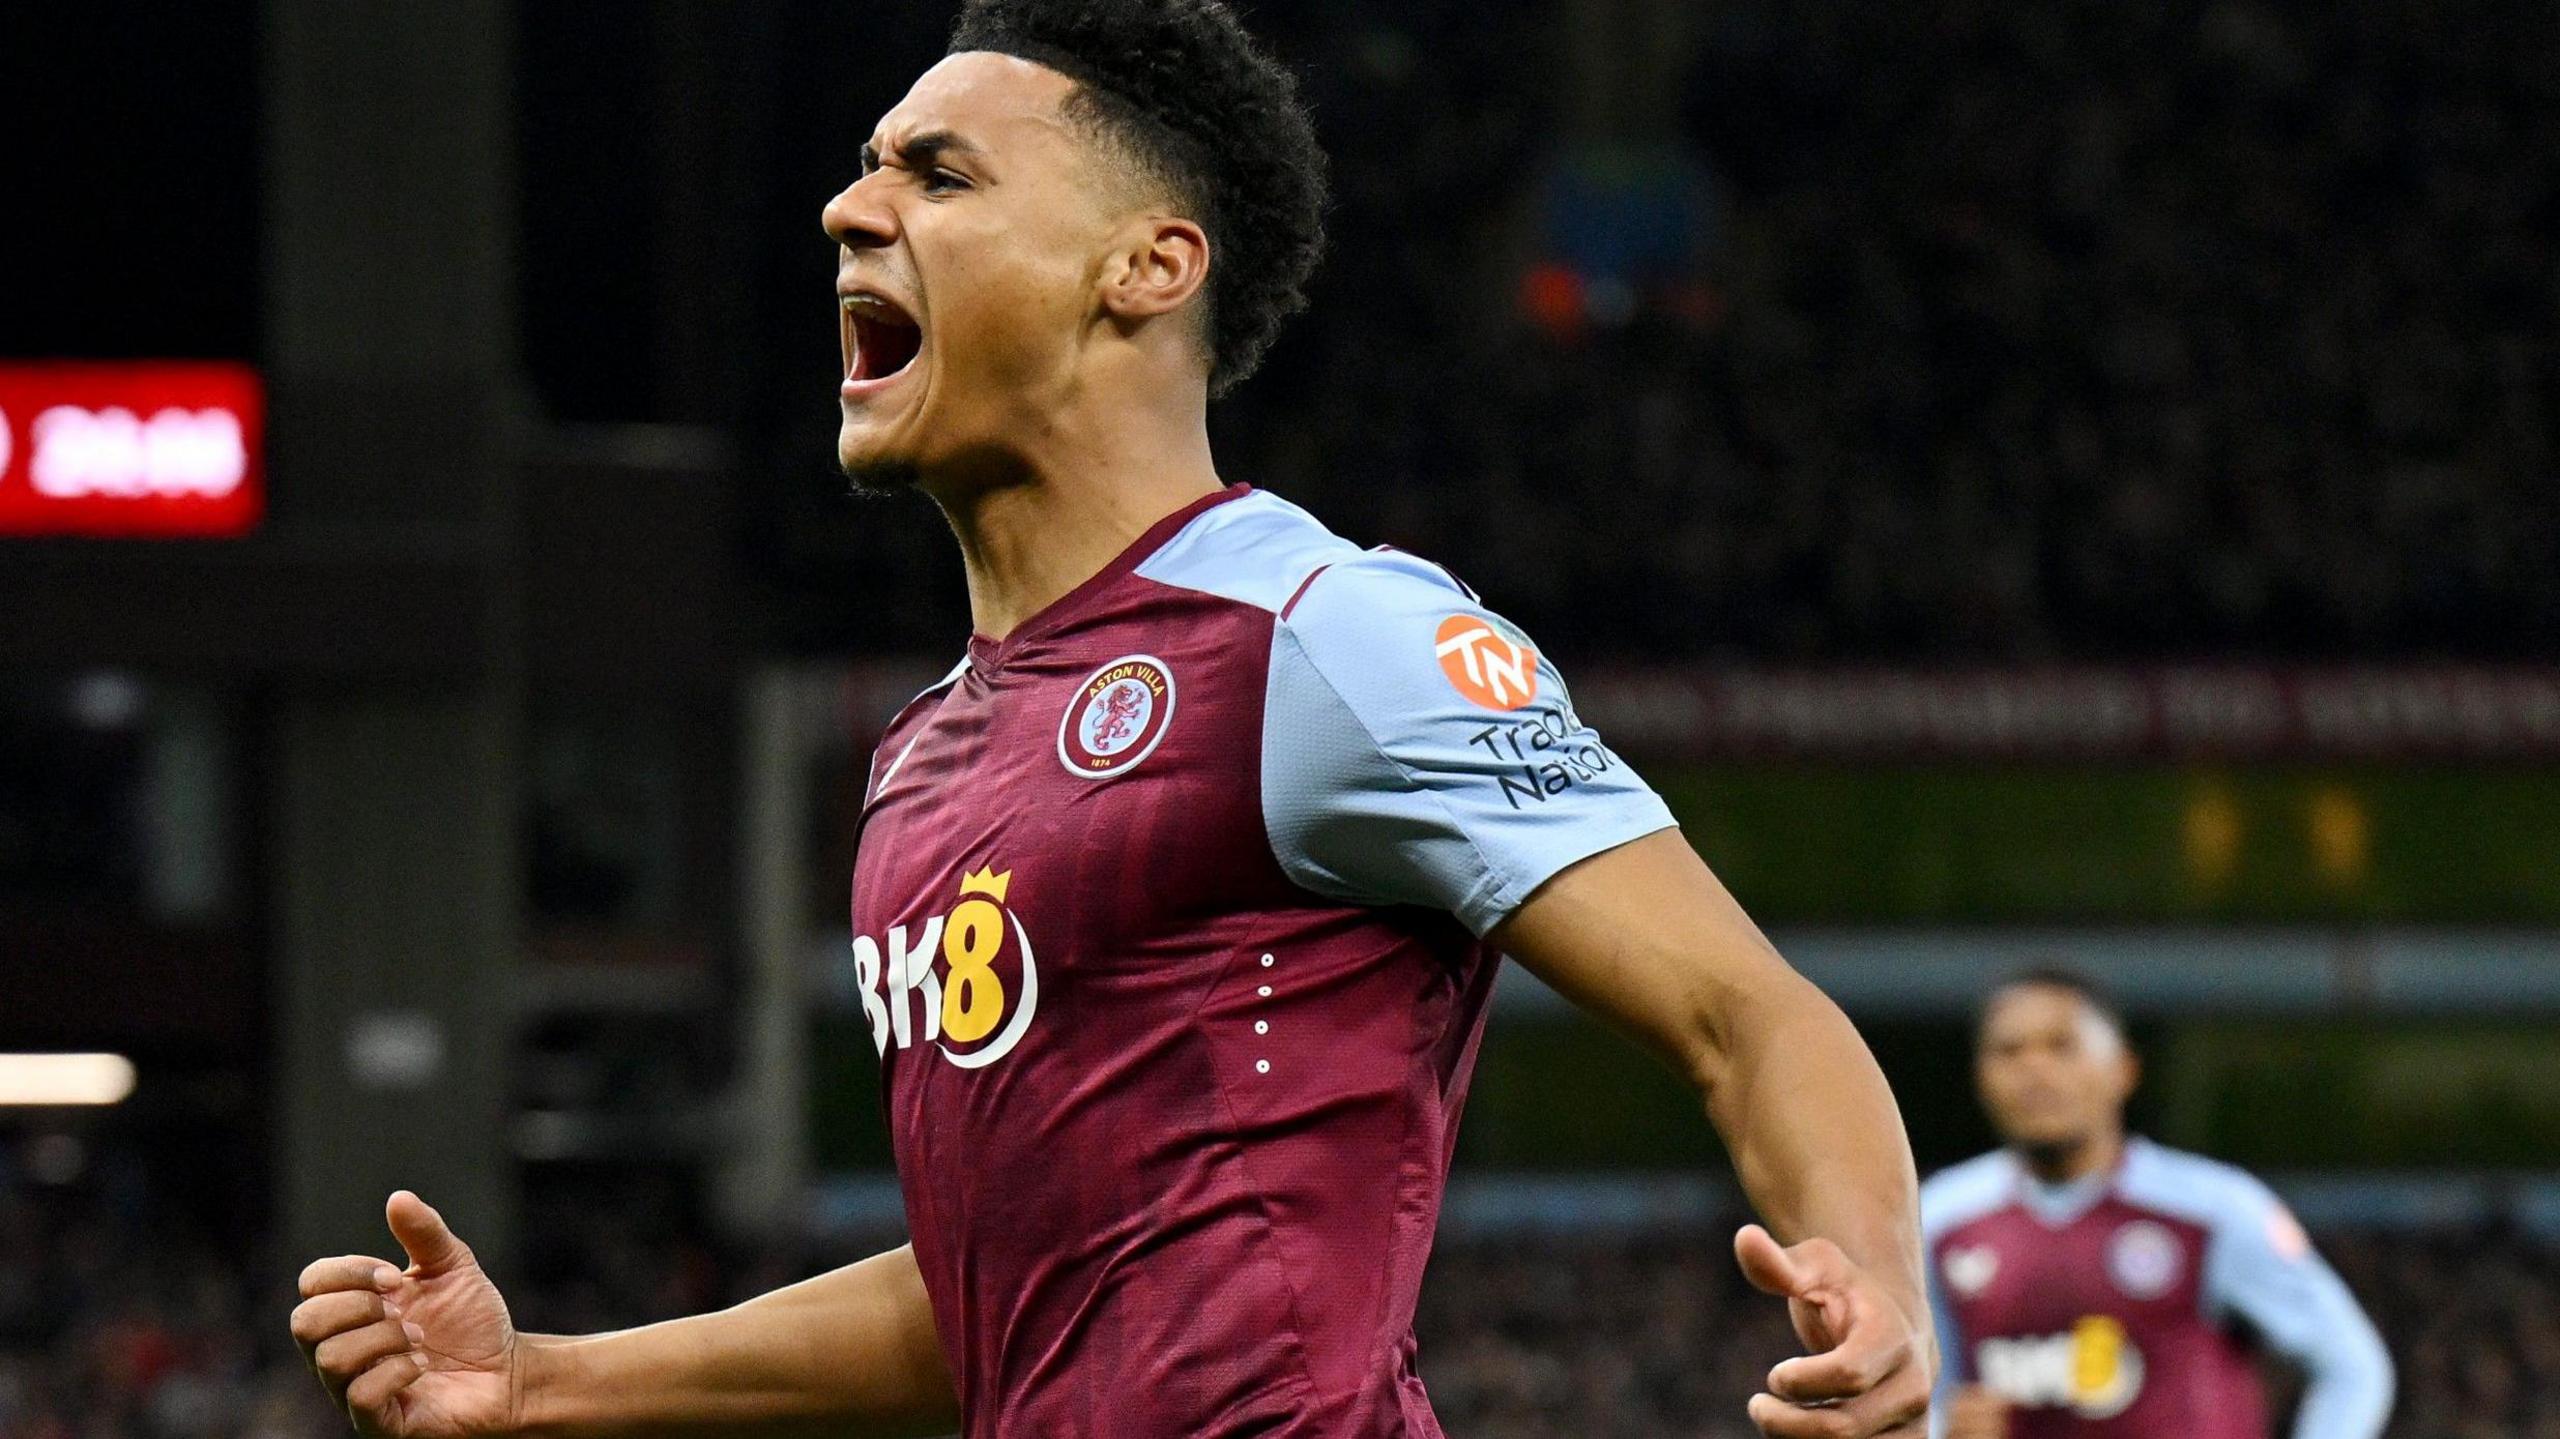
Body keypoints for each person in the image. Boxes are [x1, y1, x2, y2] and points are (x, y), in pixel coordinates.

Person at [288, 1, 1933, 1434]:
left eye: (939, 172)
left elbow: (1750, 1015)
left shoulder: (1332, 637)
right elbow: (1018, 1285)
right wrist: (550, 1381)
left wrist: (1873, 1282)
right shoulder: (922, 757)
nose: (849, 206)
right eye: (871, 165)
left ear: (1146, 266)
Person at [1922, 970, 2393, 1439]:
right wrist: (1944, 1429)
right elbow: (1922, 1392)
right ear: (1980, 1078)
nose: (2035, 1069)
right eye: (2009, 1051)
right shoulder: (1939, 1219)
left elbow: (2352, 1367)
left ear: (2122, 1071)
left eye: (2061, 1046)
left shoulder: (2212, 1210)